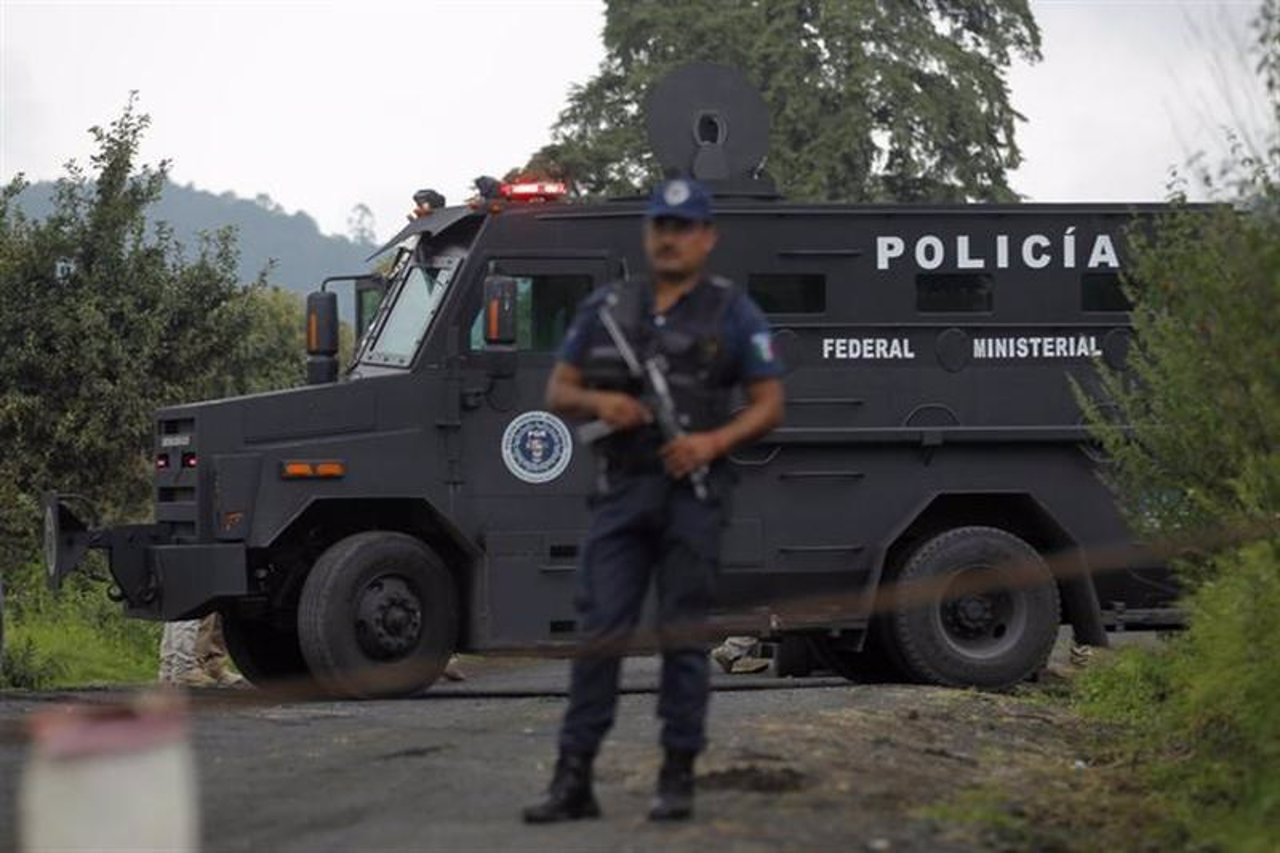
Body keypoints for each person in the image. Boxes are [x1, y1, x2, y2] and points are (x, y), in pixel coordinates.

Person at [523, 178, 785, 824]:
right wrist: (601, 402)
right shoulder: (610, 307)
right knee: (600, 633)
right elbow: (559, 388)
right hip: (622, 491)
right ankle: (573, 778)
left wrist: (711, 442)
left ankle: (677, 776)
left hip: (693, 495)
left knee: (683, 637)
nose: (669, 237)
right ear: (648, 234)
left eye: (683, 225)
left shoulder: (731, 312)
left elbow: (770, 402)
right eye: (660, 225)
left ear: (707, 237)